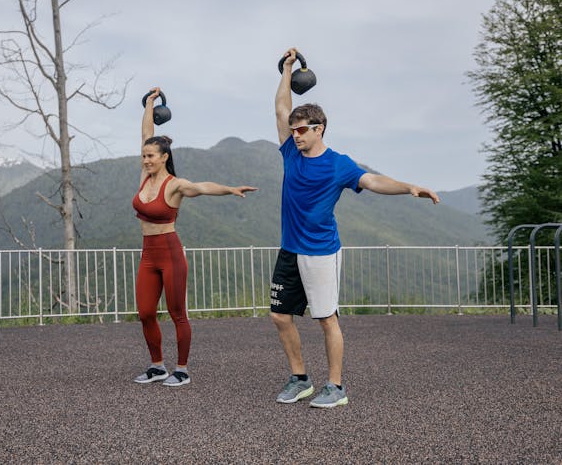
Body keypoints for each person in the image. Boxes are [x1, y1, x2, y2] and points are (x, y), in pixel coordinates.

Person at [271, 48, 440, 408]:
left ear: (320, 129)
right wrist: (286, 71)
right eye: (293, 130)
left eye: (302, 130)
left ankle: (336, 387)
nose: (295, 134)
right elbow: (281, 108)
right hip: (290, 247)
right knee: (280, 315)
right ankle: (300, 378)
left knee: (326, 319)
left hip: (320, 251)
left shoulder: (338, 165)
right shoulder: (289, 152)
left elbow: (373, 180)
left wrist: (409, 187)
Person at [132, 87, 257, 387]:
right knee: (145, 312)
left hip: (170, 252)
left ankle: (182, 369)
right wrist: (149, 105)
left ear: (164, 158)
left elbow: (202, 187)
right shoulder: (143, 179)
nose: (145, 160)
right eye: (144, 155)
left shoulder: (175, 185)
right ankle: (157, 366)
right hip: (148, 254)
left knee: (177, 313)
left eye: (150, 156)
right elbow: (146, 134)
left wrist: (230, 189)